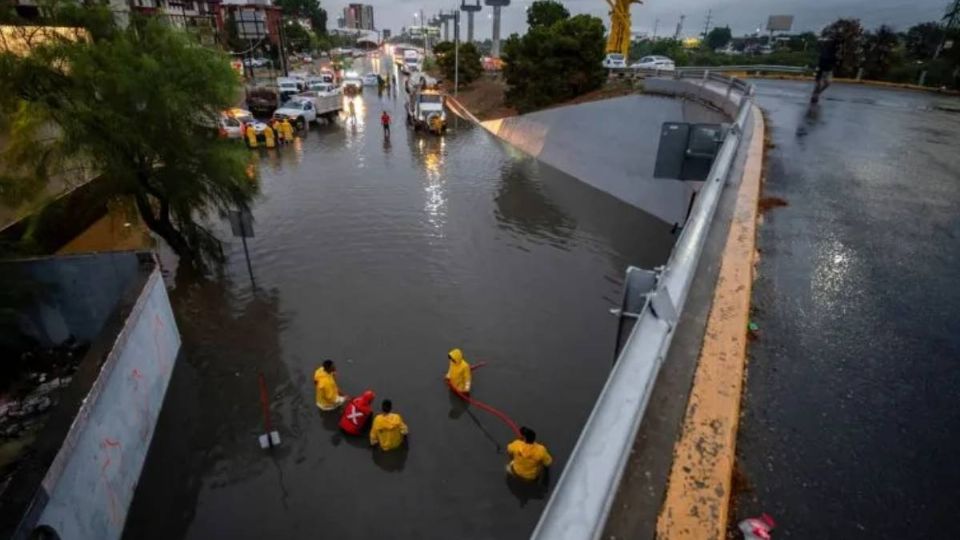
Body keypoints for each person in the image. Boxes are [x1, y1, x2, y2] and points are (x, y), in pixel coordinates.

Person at [812, 38, 839, 103]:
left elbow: (835, 62)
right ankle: (815, 95)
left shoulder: (835, 53)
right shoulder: (826, 52)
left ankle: (817, 93)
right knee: (819, 84)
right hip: (822, 69)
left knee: (828, 83)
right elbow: (822, 60)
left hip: (828, 70)